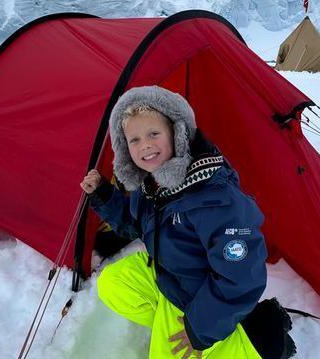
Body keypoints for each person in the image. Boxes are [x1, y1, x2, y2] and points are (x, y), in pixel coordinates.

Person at [80, 85, 294, 359]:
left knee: (178, 348)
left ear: (177, 134)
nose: (144, 144)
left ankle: (258, 339)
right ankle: (174, 323)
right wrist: (103, 195)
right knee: (112, 284)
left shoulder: (215, 199)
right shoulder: (153, 185)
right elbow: (136, 225)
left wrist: (198, 330)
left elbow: (239, 276)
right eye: (133, 140)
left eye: (153, 133)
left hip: (197, 297)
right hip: (170, 277)